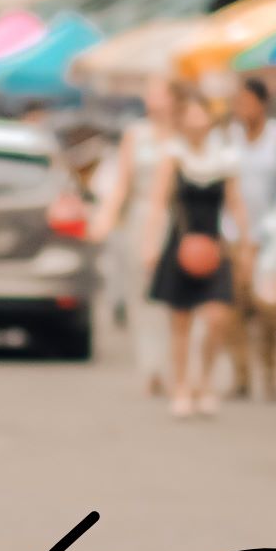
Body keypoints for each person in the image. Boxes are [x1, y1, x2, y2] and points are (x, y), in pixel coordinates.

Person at [144, 91, 249, 418]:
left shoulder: (225, 158)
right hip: (180, 243)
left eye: (199, 113)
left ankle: (205, 380)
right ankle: (182, 387)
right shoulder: (173, 156)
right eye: (188, 114)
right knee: (181, 322)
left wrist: (245, 244)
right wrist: (150, 244)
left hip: (214, 244)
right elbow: (158, 203)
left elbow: (236, 203)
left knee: (217, 317)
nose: (195, 120)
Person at [94, 74, 178, 394]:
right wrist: (106, 217)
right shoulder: (136, 134)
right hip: (142, 216)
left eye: (158, 93)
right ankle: (152, 365)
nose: (151, 100)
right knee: (144, 294)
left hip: (177, 218)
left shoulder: (186, 133)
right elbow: (122, 184)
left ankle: (176, 365)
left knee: (176, 297)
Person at [219, 77, 276, 401]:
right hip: (233, 233)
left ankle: (271, 374)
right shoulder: (227, 138)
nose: (241, 108)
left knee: (270, 310)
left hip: (270, 236)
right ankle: (240, 376)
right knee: (235, 308)